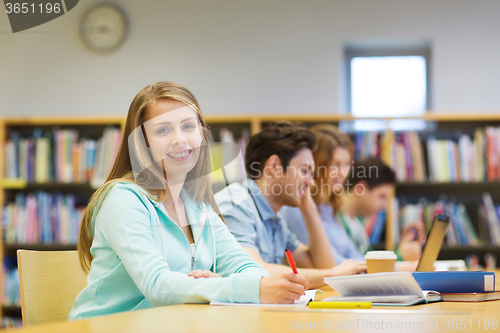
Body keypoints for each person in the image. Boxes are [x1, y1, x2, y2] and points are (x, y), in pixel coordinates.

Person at [69, 82, 308, 320]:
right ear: (143, 142)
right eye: (163, 130)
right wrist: (226, 288)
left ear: (202, 134)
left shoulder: (197, 204)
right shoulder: (122, 199)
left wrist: (220, 284)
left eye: (188, 126)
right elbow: (157, 285)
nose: (179, 139)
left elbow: (249, 269)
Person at [215, 121, 366, 289]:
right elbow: (251, 271)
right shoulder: (237, 203)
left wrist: (309, 210)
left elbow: (321, 265)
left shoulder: (275, 217)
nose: (311, 182)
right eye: (304, 171)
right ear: (274, 166)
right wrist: (333, 275)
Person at [280, 124, 365, 264]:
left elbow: (353, 254)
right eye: (336, 165)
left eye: (346, 164)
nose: (343, 173)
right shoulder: (297, 208)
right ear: (317, 165)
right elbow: (331, 265)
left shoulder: (328, 208)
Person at [337, 157, 425, 262]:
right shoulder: (335, 220)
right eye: (382, 196)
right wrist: (400, 256)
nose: (385, 206)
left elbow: (367, 262)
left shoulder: (356, 222)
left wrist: (401, 250)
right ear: (360, 189)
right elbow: (361, 268)